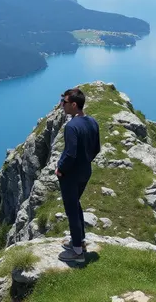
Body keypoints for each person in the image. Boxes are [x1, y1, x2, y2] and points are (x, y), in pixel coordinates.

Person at [55, 87, 100, 263]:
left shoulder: (72, 127)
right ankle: (79, 241)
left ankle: (77, 253)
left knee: (71, 210)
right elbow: (96, 149)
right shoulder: (92, 122)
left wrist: (61, 169)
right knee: (76, 204)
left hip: (71, 175)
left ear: (74, 104)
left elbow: (70, 153)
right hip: (85, 172)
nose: (61, 105)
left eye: (64, 102)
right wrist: (85, 161)